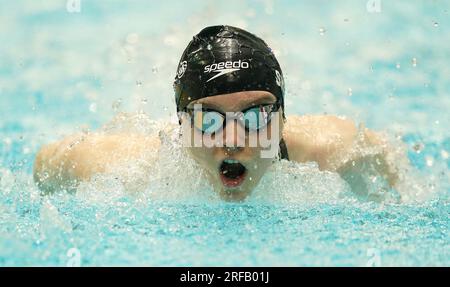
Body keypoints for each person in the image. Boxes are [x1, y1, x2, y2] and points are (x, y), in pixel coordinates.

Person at [33, 25, 399, 201]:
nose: (231, 141)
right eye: (208, 120)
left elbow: (394, 182)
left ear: (284, 119)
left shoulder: (337, 150)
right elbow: (47, 162)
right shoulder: (125, 167)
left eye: (255, 117)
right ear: (181, 125)